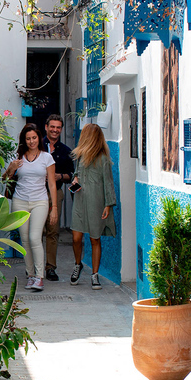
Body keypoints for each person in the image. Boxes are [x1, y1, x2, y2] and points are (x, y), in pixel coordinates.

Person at [3, 123, 59, 291]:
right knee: (25, 240)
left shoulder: (46, 158)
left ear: (38, 138)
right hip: (20, 201)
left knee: (35, 238)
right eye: (28, 139)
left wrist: (54, 207)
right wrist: (11, 169)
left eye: (34, 138)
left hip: (40, 202)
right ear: (24, 140)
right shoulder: (17, 157)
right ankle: (31, 274)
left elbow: (52, 184)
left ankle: (40, 277)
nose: (31, 141)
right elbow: (4, 180)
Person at [68, 123, 116, 289]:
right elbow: (76, 174)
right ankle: (77, 264)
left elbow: (108, 183)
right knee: (76, 237)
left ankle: (95, 275)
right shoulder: (80, 156)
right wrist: (75, 180)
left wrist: (108, 205)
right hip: (80, 201)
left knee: (95, 238)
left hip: (97, 202)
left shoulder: (103, 159)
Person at [42, 114, 74, 281]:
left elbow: (72, 174)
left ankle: (50, 267)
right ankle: (35, 266)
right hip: (37, 192)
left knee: (53, 231)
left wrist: (59, 176)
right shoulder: (36, 145)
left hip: (57, 194)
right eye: (52, 127)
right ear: (46, 127)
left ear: (61, 130)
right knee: (35, 230)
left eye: (58, 127)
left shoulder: (66, 151)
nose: (55, 130)